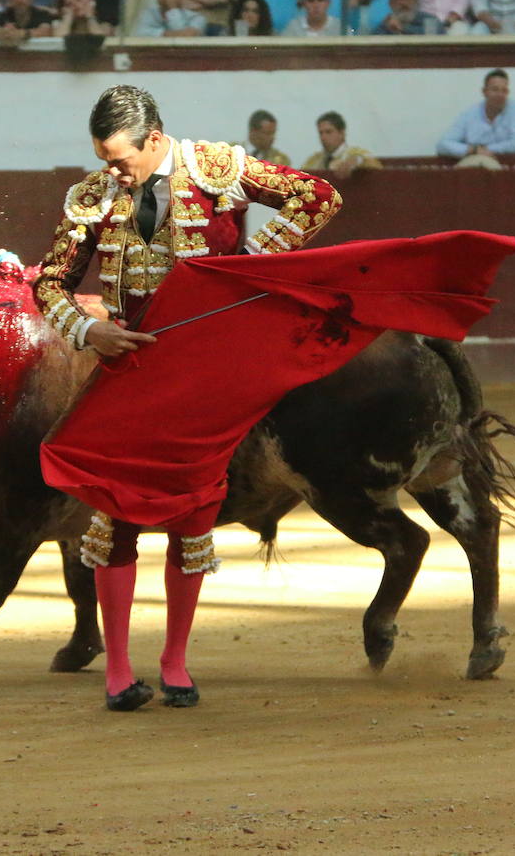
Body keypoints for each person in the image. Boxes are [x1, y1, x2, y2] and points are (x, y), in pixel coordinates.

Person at [32, 85, 343, 711]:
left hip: (208, 372)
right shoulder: (94, 197)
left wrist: (255, 262)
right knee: (117, 512)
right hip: (134, 370)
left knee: (193, 515)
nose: (112, 173)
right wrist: (90, 329)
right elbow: (50, 283)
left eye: (121, 160)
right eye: (104, 159)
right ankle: (118, 670)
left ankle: (174, 661)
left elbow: (319, 197)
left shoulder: (218, 167)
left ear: (154, 139)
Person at [436, 67, 515, 165]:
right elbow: (442, 144)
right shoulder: (470, 114)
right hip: (476, 166)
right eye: (495, 89)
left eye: (504, 90)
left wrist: (483, 150)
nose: (500, 94)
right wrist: (473, 150)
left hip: (511, 168)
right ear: (484, 92)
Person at [301, 110, 382, 176]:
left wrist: (356, 161)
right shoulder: (314, 159)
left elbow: (376, 166)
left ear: (342, 133)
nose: (323, 137)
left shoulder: (354, 153)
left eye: (328, 132)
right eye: (321, 133)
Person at [372, 0, 442, 33]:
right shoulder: (387, 23)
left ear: (415, 2)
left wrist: (403, 28)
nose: (404, 3)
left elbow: (437, 37)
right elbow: (372, 43)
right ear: (391, 4)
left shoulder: (429, 20)